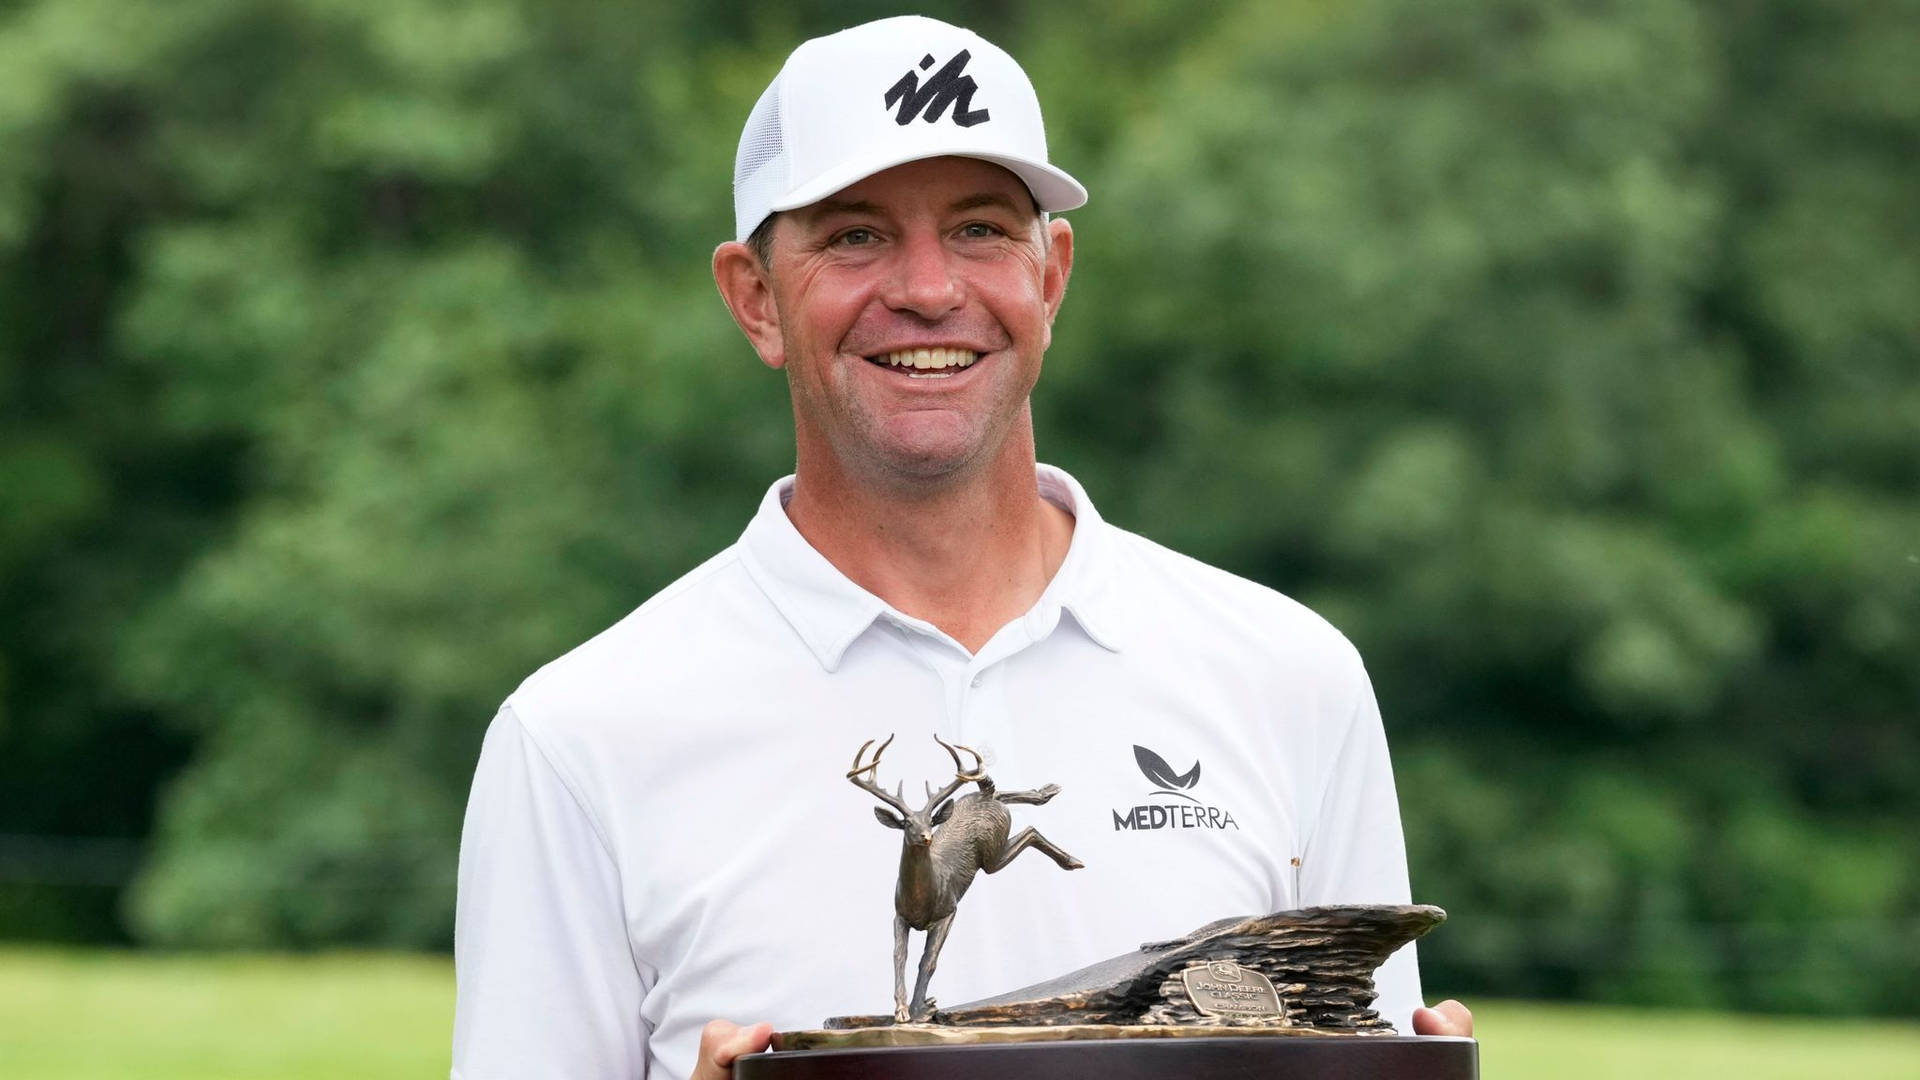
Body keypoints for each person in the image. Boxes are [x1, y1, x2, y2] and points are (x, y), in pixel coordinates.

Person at [450, 16, 1472, 1080]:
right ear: (755, 299)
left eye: (981, 228)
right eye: (855, 236)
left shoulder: (1290, 677)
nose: (930, 288)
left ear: (1051, 277)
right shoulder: (580, 737)